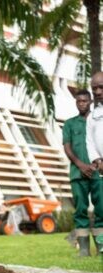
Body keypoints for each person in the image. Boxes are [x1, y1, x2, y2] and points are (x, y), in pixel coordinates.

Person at [62, 89, 102, 257]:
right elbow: (67, 147)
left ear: (90, 102)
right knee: (80, 210)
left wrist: (95, 164)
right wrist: (81, 166)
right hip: (78, 174)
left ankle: (101, 247)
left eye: (85, 101)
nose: (82, 104)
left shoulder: (97, 120)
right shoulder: (69, 124)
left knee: (101, 209)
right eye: (79, 101)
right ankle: (84, 249)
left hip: (98, 173)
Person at [86, 71, 103, 254]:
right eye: (94, 89)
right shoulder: (93, 117)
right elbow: (90, 142)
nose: (97, 92)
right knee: (101, 210)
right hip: (102, 169)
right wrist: (97, 160)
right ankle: (102, 247)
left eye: (101, 87)